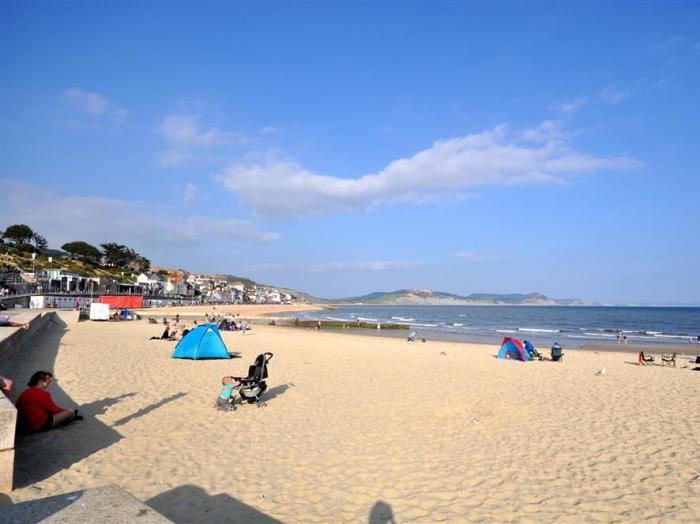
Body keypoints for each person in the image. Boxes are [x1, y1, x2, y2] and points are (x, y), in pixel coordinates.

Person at [16, 371, 82, 433]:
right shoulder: (43, 394)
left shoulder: (24, 393)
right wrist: (68, 412)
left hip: (23, 427)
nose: (49, 382)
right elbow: (54, 410)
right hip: (39, 425)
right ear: (40, 380)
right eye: (47, 380)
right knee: (70, 411)